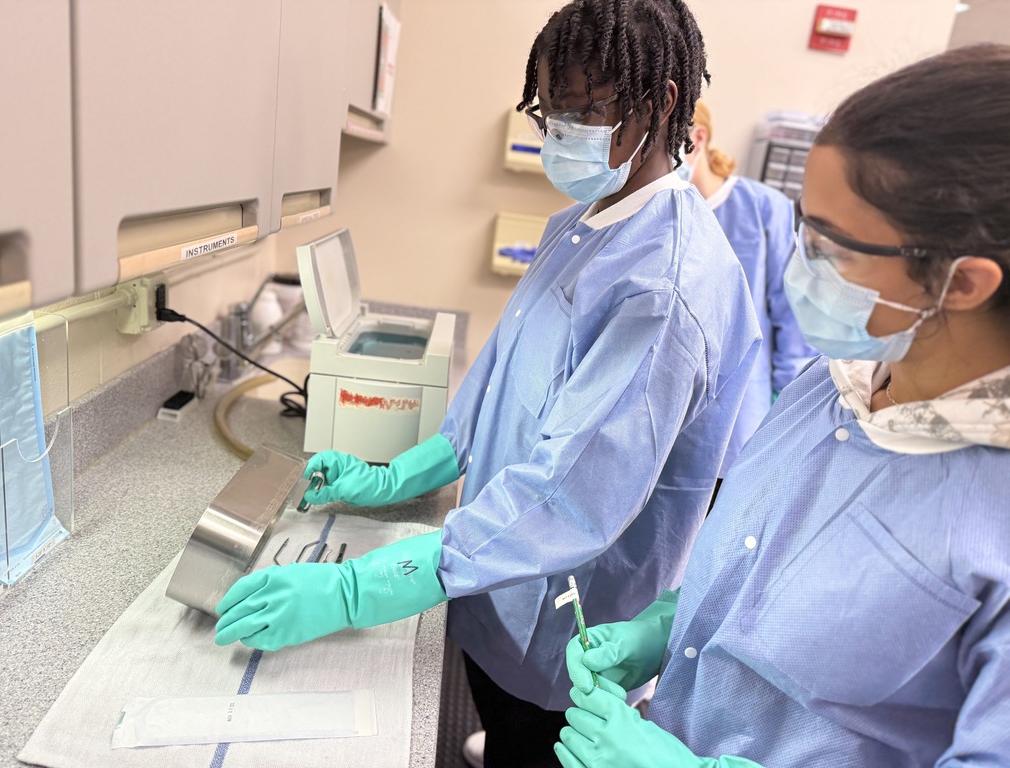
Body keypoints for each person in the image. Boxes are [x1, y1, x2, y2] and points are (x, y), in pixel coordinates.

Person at [212, 1, 761, 766]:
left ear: (660, 103)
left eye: (585, 109)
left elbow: (570, 496)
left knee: (527, 740)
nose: (562, 130)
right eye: (552, 111)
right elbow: (503, 379)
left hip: (565, 624)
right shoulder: (584, 223)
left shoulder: (665, 289)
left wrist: (355, 590)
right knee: (499, 728)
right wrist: (401, 472)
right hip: (491, 577)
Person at [556, 43, 1010, 768]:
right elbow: (761, 570)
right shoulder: (834, 384)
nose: (801, 264)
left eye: (832, 248)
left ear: (963, 282)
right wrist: (668, 631)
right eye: (804, 226)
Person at [680, 100, 816, 472]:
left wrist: (791, 404)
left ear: (698, 138)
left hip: (740, 416)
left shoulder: (762, 208)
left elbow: (793, 316)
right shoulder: (659, 213)